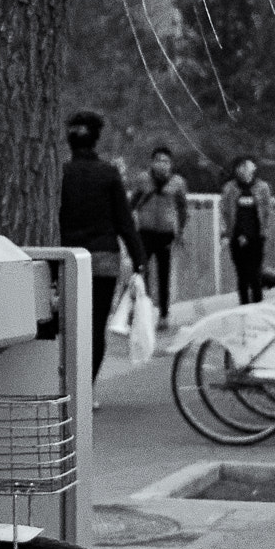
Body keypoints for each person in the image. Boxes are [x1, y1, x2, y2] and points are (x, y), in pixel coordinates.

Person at [58, 112, 145, 381]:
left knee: (69, 325)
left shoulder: (61, 174)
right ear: (96, 139)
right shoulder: (108, 174)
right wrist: (139, 260)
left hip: (66, 260)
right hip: (104, 259)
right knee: (95, 327)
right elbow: (124, 221)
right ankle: (87, 388)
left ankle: (65, 385)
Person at [128, 146, 187, 330]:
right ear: (152, 162)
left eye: (166, 161)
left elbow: (182, 209)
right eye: (158, 160)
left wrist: (180, 232)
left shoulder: (177, 183)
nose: (162, 164)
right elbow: (132, 205)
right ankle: (139, 311)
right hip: (145, 232)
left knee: (164, 274)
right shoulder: (143, 180)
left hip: (166, 234)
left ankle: (163, 314)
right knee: (141, 271)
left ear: (171, 164)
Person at [221, 154, 274, 305]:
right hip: (236, 237)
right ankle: (244, 306)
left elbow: (267, 211)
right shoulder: (229, 188)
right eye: (241, 166)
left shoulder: (262, 187)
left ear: (254, 168)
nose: (244, 169)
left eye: (247, 166)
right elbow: (225, 212)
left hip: (256, 237)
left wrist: (264, 231)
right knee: (242, 274)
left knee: (255, 273)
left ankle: (258, 306)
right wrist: (227, 234)